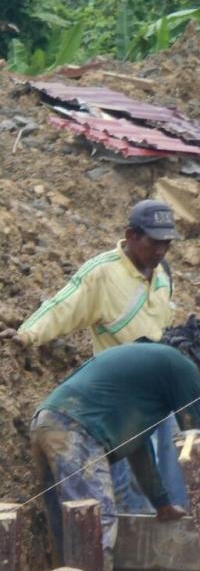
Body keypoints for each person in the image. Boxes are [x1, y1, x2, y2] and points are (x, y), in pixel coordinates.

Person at [1, 199, 188, 510]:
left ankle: (172, 524)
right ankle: (128, 540)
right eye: (154, 243)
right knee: (124, 476)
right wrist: (27, 333)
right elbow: (64, 305)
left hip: (157, 392)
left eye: (166, 244)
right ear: (131, 235)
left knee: (170, 467)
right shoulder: (102, 273)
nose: (160, 251)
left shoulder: (162, 274)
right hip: (119, 398)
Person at [30, 316, 200, 571]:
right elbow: (199, 441)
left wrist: (161, 503)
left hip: (46, 421)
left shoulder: (147, 373)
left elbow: (138, 450)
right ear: (194, 358)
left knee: (66, 525)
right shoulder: (182, 366)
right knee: (96, 523)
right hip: (77, 430)